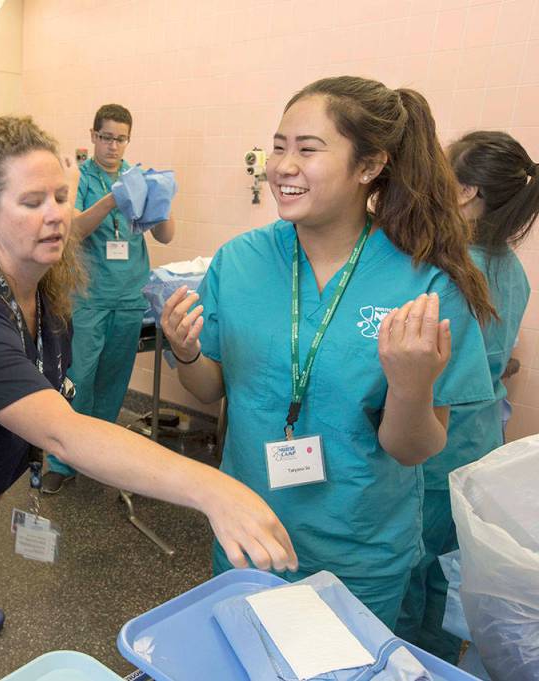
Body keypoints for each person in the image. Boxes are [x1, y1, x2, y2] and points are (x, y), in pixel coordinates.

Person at [0, 116, 297, 681]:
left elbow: (34, 400)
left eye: (59, 196)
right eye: (31, 201)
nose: (54, 213)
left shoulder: (43, 292)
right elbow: (63, 432)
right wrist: (214, 489)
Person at [161, 76, 495, 628]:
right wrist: (188, 352)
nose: (283, 166)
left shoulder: (422, 283)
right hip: (248, 532)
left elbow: (413, 450)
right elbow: (211, 390)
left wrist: (410, 385)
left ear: (369, 166)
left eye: (308, 149)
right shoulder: (240, 261)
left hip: (359, 554)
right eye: (278, 146)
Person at [396, 130, 536, 661]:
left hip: (440, 433)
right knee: (446, 566)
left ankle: (400, 660)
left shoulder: (449, 269)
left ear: (464, 193)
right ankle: (434, 660)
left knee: (411, 562)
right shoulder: (512, 268)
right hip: (481, 436)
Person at [43, 104, 176, 493]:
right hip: (90, 296)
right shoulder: (81, 179)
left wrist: (162, 200)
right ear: (93, 135)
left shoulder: (139, 179)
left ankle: (100, 457)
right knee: (80, 376)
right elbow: (74, 230)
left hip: (129, 295)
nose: (113, 146)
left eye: (120, 138)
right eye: (106, 137)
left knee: (115, 378)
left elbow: (165, 236)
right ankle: (62, 461)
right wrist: (112, 200)